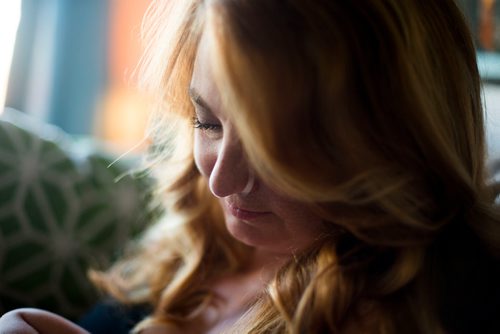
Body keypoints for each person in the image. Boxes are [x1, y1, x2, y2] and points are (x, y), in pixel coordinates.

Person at [1, 0, 500, 333]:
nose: (220, 182)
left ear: (392, 140)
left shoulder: (406, 309)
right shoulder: (201, 235)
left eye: (276, 149)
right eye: (208, 122)